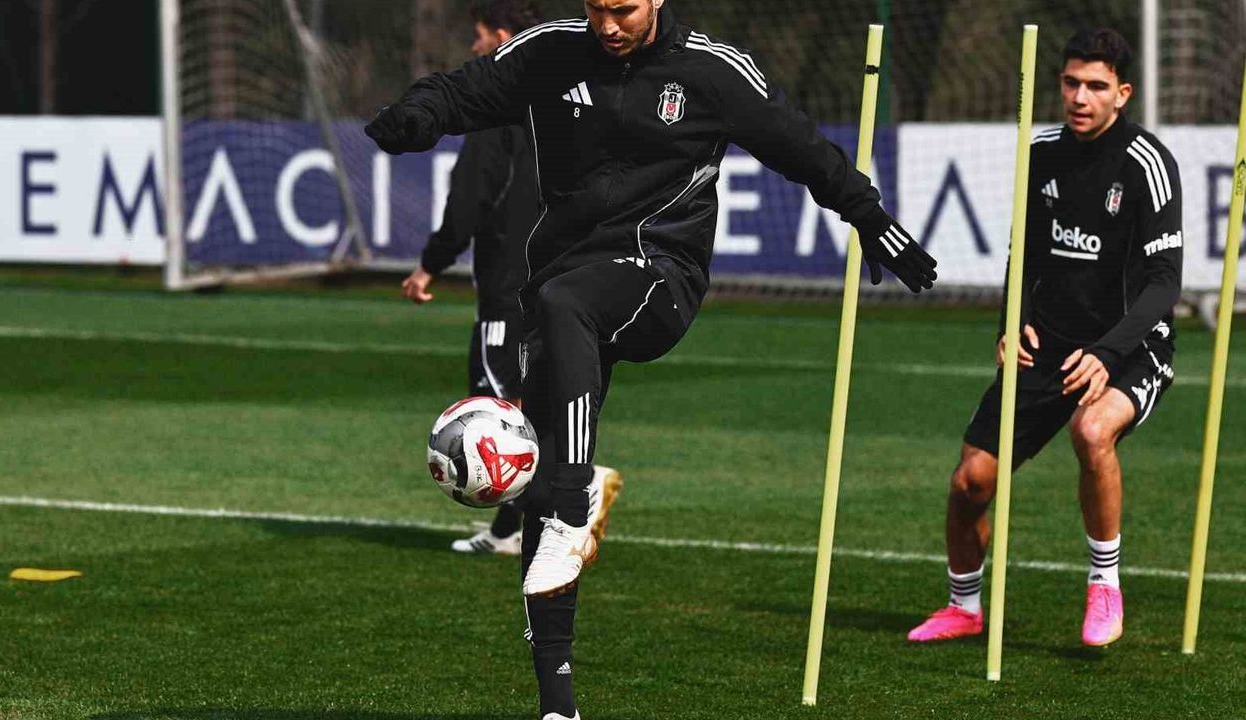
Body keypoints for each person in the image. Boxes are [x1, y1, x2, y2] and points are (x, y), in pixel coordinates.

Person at [367, 1, 937, 717]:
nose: (608, 24)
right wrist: (413, 116)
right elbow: (462, 90)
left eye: (624, 8)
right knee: (541, 498)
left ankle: (577, 498)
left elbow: (802, 149)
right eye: (596, 7)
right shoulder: (550, 52)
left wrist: (873, 218)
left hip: (660, 276)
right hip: (561, 286)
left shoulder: (711, 70)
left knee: (565, 363)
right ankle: (558, 705)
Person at [906, 28, 1182, 648]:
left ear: (1123, 93)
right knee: (970, 481)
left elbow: (1165, 282)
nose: (1081, 97)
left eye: (1097, 86)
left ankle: (1104, 585)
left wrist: (1108, 352)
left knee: (1093, 431)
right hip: (1049, 344)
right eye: (1071, 83)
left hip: (1130, 345)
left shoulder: (1148, 164)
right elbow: (1023, 253)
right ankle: (964, 606)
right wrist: (1012, 318)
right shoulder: (1042, 154)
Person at [402, 1, 622, 558]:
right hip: (565, 275)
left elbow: (467, 202)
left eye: (479, 39)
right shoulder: (569, 99)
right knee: (533, 399)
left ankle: (580, 484)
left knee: (498, 410)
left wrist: (430, 263)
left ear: (501, 38)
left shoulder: (497, 111)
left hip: (511, 285)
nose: (474, 49)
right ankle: (509, 530)